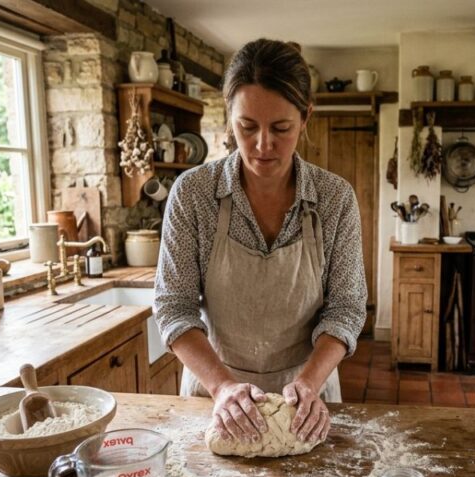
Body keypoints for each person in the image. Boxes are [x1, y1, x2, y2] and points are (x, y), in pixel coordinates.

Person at [153, 39, 366, 448]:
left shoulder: (334, 198)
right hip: (216, 393)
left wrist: (308, 382)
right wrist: (221, 387)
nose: (263, 144)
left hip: (307, 398)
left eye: (281, 128)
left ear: (305, 117)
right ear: (229, 117)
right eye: (247, 127)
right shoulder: (193, 194)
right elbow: (173, 306)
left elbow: (346, 306)